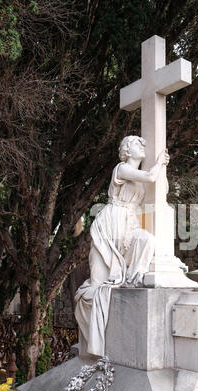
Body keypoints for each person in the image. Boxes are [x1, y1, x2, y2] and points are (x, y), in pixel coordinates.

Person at [75, 136, 169, 356]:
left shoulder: (142, 177)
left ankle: (133, 278)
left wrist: (161, 170)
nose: (143, 145)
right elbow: (149, 175)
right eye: (137, 143)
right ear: (127, 151)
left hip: (130, 223)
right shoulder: (122, 168)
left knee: (147, 241)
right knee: (98, 283)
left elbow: (159, 187)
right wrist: (160, 163)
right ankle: (93, 341)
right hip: (108, 226)